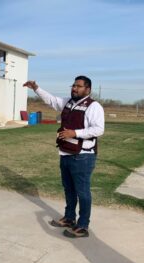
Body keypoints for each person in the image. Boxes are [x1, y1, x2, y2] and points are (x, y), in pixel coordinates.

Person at [23, 76, 105, 238]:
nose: (74, 88)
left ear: (87, 89)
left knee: (82, 192)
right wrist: (36, 88)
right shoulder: (69, 102)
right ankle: (69, 218)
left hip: (83, 156)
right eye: (73, 85)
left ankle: (82, 226)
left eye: (79, 86)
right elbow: (52, 101)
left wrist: (75, 133)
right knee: (69, 189)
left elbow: (98, 129)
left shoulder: (93, 106)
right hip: (66, 152)